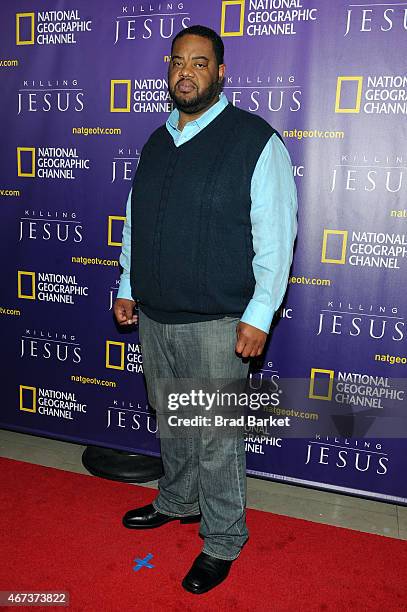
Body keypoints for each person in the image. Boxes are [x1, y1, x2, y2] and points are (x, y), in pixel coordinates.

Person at [113, 24, 297, 595]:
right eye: (177, 62)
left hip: (220, 322)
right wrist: (126, 282)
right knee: (173, 424)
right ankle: (177, 500)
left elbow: (276, 237)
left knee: (216, 439)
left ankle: (222, 539)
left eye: (199, 62)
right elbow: (136, 220)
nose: (185, 72)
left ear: (221, 72)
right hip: (155, 314)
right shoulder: (155, 140)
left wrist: (259, 314)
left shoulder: (255, 141)